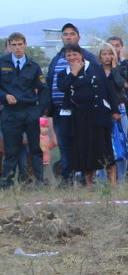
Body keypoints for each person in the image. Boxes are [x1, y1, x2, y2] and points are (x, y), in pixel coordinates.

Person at [61, 44, 120, 187]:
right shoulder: (64, 73)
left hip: (99, 113)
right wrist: (73, 74)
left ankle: (112, 182)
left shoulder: (94, 67)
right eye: (69, 55)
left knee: (104, 147)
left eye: (75, 54)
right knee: (84, 149)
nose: (72, 57)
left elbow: (108, 89)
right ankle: (89, 184)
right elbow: (62, 87)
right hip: (79, 117)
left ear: (81, 54)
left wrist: (115, 110)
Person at [46, 24, 99, 182]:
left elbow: (96, 82)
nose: (68, 37)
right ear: (62, 38)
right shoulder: (56, 59)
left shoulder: (88, 57)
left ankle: (86, 178)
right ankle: (67, 178)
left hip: (81, 111)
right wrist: (48, 108)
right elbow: (50, 83)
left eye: (72, 34)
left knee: (82, 143)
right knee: (64, 145)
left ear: (78, 37)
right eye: (65, 34)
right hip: (59, 111)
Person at [0, 32, 49, 187]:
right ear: (9, 46)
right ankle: (7, 182)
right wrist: (4, 96)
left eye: (20, 44)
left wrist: (40, 111)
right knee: (11, 149)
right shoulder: (2, 63)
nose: (17, 48)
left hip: (30, 111)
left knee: (35, 148)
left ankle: (39, 181)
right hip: (10, 111)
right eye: (14, 45)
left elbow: (43, 89)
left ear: (25, 45)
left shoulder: (33, 66)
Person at [97, 43, 128, 181]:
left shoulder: (120, 69)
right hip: (101, 111)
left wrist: (115, 68)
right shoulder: (95, 71)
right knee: (101, 145)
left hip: (119, 109)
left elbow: (121, 84)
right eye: (104, 54)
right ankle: (103, 179)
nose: (107, 57)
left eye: (110, 54)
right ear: (100, 56)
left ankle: (121, 179)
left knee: (121, 143)